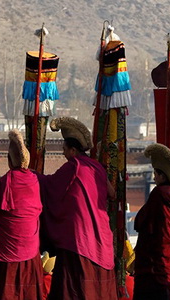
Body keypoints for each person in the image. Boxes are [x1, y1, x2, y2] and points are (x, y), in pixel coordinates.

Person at [37, 117, 117, 299]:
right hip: (101, 236)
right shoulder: (97, 167)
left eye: (65, 150)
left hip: (79, 239)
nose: (64, 154)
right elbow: (112, 193)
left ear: (73, 150)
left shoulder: (74, 167)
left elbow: (50, 186)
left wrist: (32, 175)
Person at [0, 129, 44, 299]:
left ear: (10, 160)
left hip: (9, 253)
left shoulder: (7, 181)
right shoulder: (34, 179)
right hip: (31, 251)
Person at [133, 143, 170, 300]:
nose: (154, 177)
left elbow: (141, 222)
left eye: (156, 174)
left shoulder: (159, 194)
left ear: (162, 176)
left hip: (155, 263)